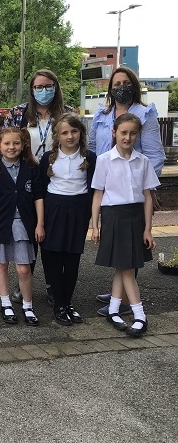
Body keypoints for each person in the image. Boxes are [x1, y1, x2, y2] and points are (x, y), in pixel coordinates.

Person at [88, 66, 165, 316]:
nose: (121, 87)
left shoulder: (145, 114)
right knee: (115, 245)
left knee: (129, 248)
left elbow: (154, 153)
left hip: (131, 190)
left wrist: (141, 184)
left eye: (126, 83)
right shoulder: (103, 113)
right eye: (117, 83)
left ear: (134, 85)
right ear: (111, 88)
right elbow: (91, 146)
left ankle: (122, 303)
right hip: (107, 186)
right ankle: (117, 294)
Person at [4, 69, 74, 305]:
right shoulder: (18, 113)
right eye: (38, 87)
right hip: (25, 182)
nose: (43, 91)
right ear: (31, 90)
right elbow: (6, 145)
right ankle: (25, 285)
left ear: (56, 86)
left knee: (52, 240)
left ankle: (54, 285)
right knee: (27, 235)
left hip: (59, 183)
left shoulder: (68, 114)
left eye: (48, 86)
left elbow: (82, 145)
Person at [91, 113, 159, 337]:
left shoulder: (144, 161)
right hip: (114, 216)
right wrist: (95, 225)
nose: (127, 137)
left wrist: (148, 228)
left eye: (132, 133)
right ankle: (140, 315)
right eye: (123, 132)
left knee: (124, 266)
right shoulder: (103, 161)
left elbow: (148, 196)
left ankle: (113, 310)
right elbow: (98, 195)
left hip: (136, 216)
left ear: (137, 135)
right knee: (128, 267)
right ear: (114, 133)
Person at [0, 126, 45, 326]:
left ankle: (28, 305)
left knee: (24, 268)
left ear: (23, 144)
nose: (12, 147)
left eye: (16, 143)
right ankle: (5, 302)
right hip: (1, 225)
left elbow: (39, 197)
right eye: (7, 143)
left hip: (25, 225)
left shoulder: (31, 168)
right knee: (2, 264)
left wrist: (40, 224)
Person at [38, 113, 96, 325]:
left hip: (78, 211)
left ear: (80, 132)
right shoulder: (48, 158)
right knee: (53, 259)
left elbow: (94, 190)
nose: (70, 136)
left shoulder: (89, 158)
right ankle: (59, 304)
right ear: (57, 136)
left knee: (72, 260)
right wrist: (40, 221)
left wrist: (92, 220)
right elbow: (40, 192)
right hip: (53, 209)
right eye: (64, 132)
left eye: (74, 131)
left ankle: (67, 302)